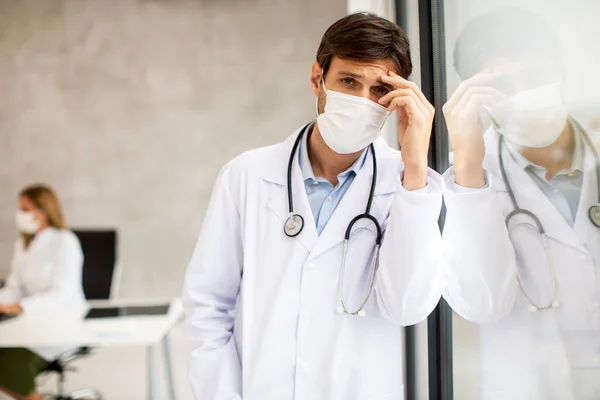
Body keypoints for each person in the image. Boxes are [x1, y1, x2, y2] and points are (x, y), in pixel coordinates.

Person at [182, 13, 452, 400]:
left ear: (396, 100)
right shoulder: (248, 175)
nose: (362, 100)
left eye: (379, 90)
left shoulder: (406, 185)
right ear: (317, 79)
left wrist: (414, 171)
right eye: (348, 81)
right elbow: (207, 307)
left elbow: (407, 308)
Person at [442, 7, 600, 399]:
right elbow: (482, 304)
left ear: (561, 69)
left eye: (536, 76)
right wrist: (467, 164)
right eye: (503, 85)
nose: (523, 94)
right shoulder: (468, 181)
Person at [0, 184, 85, 400]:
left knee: (12, 362)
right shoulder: (24, 244)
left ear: (44, 210)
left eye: (26, 209)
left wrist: (21, 307)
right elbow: (13, 287)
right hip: (28, 323)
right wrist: (4, 303)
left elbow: (62, 294)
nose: (22, 215)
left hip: (61, 323)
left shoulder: (65, 241)